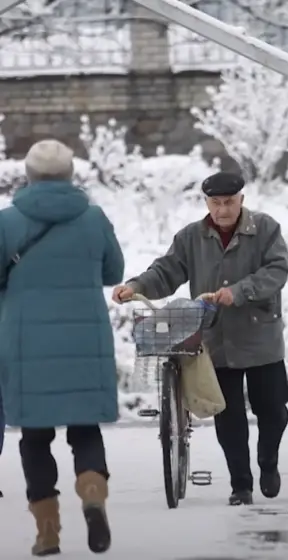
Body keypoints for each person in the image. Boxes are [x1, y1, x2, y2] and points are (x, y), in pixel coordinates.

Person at [112, 171, 288, 506]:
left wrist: (238, 292)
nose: (222, 210)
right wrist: (136, 286)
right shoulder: (192, 237)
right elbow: (167, 271)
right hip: (215, 339)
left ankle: (268, 461)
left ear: (242, 200)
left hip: (259, 334)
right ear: (207, 202)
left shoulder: (266, 229)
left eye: (229, 202)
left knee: (274, 410)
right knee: (228, 415)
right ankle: (241, 485)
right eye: (215, 203)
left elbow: (276, 271)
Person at [0, 139, 124, 555]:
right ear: (71, 174)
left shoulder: (7, 223)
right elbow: (114, 271)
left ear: (29, 176)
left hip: (26, 343)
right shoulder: (92, 219)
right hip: (84, 340)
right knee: (84, 428)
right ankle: (91, 490)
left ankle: (48, 531)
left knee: (34, 438)